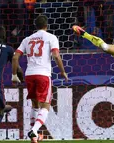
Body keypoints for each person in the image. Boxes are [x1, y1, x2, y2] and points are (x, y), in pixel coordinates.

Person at [12, 15, 68, 143]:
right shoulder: (51, 37)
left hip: (29, 74)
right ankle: (35, 130)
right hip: (43, 74)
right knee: (46, 105)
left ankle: (34, 138)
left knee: (35, 105)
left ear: (35, 26)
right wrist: (62, 71)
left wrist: (14, 75)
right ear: (46, 25)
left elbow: (15, 57)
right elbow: (56, 55)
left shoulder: (27, 39)